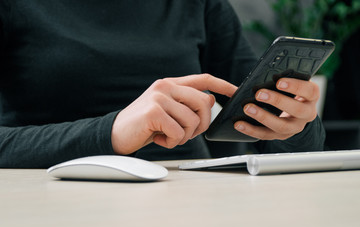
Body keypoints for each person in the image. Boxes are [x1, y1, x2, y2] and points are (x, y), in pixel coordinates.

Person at [0, 0, 324, 168]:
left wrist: (295, 126)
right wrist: (111, 133)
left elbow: (269, 133)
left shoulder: (196, 4)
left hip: (194, 202)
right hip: (52, 203)